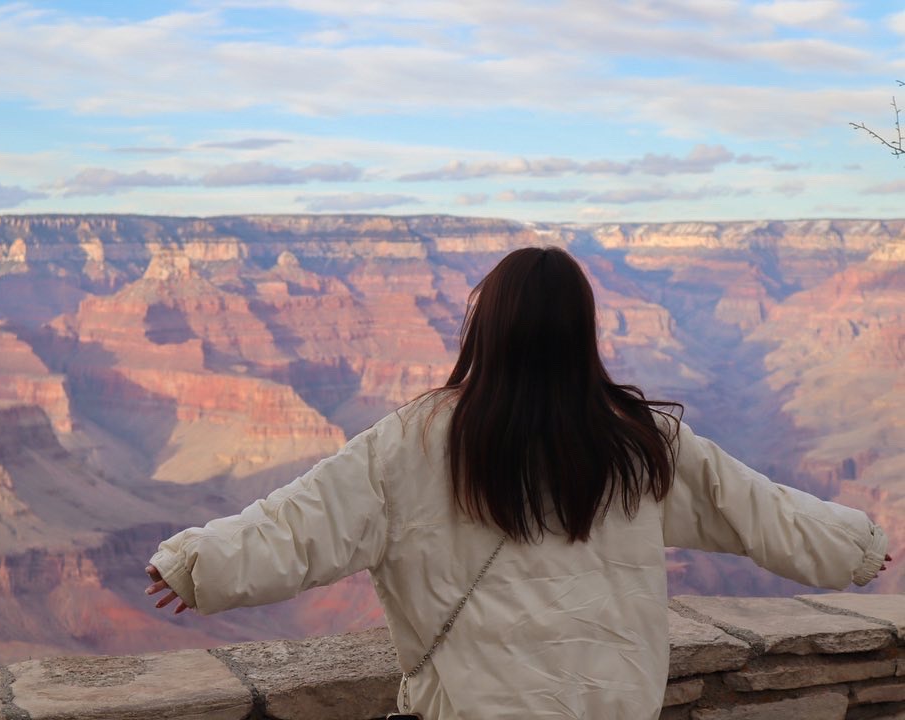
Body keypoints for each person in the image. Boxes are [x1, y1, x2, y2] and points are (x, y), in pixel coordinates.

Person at [145, 246, 892, 719]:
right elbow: (756, 509)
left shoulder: (415, 439)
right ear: (582, 331)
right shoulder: (638, 440)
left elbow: (304, 523)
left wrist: (198, 566)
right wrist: (853, 545)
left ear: (487, 327)